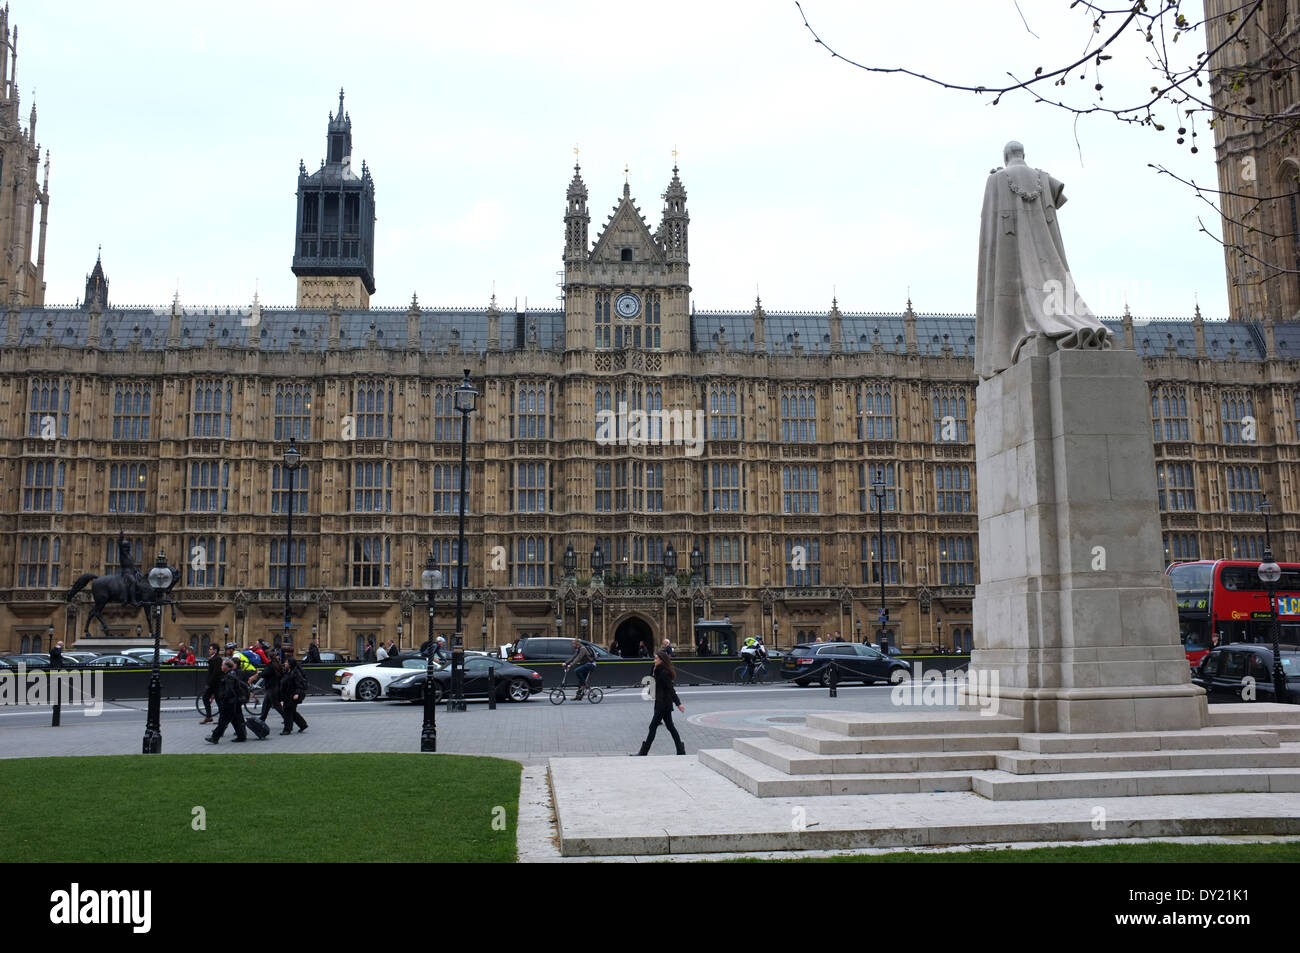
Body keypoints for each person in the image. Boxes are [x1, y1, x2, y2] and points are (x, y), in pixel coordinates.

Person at [976, 140, 1113, 380]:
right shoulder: (1042, 177)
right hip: (1045, 248)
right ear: (1023, 154)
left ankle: (1035, 327)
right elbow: (1059, 196)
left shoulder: (998, 179)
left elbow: (988, 219)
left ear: (1005, 156)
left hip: (1011, 243)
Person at [633, 650, 686, 756]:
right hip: (661, 703)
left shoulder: (664, 673)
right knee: (670, 727)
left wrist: (678, 703)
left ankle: (644, 751)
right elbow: (652, 682)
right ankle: (680, 749)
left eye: (656, 658)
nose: (654, 660)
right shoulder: (658, 670)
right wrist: (653, 670)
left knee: (653, 727)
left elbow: (671, 689)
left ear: (661, 660)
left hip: (663, 704)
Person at [206, 658, 248, 743]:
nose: (221, 666)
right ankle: (241, 736)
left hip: (229, 702)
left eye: (222, 665)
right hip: (233, 701)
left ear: (227, 666)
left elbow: (229, 690)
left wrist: (224, 698)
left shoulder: (229, 676)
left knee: (223, 721)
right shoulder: (231, 674)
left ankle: (215, 738)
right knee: (235, 720)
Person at [249, 653, 286, 725]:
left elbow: (264, 674)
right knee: (266, 704)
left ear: (268, 658)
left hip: (272, 688)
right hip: (274, 687)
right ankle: (262, 719)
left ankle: (287, 718)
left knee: (276, 706)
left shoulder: (270, 666)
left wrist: (256, 675)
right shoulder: (277, 665)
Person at [279, 648, 310, 734]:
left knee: (287, 711)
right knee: (292, 711)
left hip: (292, 695)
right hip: (287, 695)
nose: (285, 663)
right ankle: (302, 724)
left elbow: (300, 685)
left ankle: (287, 729)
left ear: (290, 664)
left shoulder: (295, 673)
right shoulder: (287, 672)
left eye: (286, 662)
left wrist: (297, 693)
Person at [200, 643, 222, 724]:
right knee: (206, 698)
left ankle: (220, 719)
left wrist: (209, 683)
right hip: (213, 684)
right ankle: (209, 716)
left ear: (215, 651)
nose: (209, 650)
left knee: (218, 701)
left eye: (210, 649)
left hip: (215, 684)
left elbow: (215, 673)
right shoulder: (213, 658)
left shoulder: (218, 659)